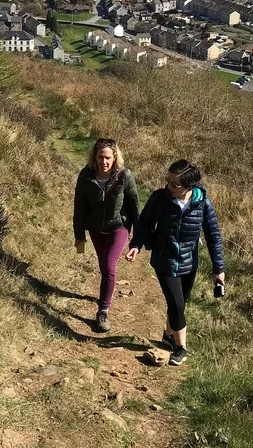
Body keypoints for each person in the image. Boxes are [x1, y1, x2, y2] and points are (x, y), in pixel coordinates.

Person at [126, 159, 224, 366]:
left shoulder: (203, 203)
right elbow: (144, 223)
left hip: (189, 262)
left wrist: (218, 269)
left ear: (190, 186)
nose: (168, 186)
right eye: (168, 181)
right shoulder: (159, 198)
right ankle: (181, 348)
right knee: (177, 305)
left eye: (174, 184)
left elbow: (213, 235)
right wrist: (136, 245)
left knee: (179, 304)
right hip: (164, 259)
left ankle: (168, 336)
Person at [73, 137, 140, 332]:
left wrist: (137, 240)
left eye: (108, 157)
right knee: (103, 267)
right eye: (101, 157)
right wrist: (79, 235)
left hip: (118, 227)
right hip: (95, 228)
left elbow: (134, 207)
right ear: (95, 157)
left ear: (115, 157)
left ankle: (103, 311)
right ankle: (105, 293)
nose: (104, 162)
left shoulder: (124, 176)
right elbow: (80, 207)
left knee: (110, 266)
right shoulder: (85, 176)